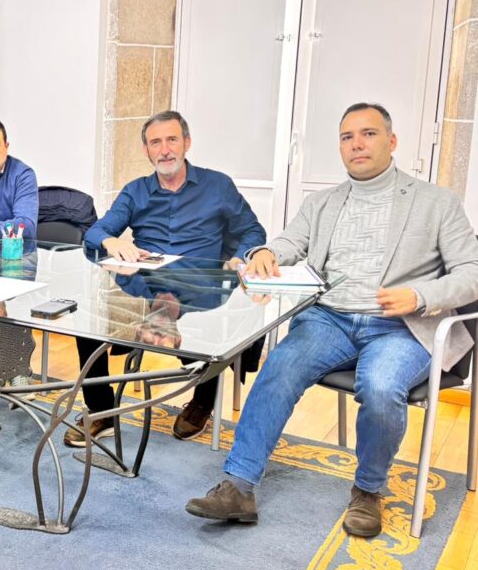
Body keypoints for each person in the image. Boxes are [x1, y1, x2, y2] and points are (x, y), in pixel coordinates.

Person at [187, 102, 478, 537]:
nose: (357, 144)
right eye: (347, 137)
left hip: (401, 326)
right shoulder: (321, 202)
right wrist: (264, 253)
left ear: (392, 141)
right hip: (330, 321)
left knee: (380, 386)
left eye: (368, 134)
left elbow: (472, 272)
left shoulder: (436, 203)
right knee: (279, 367)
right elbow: (290, 243)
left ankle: (368, 491)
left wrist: (421, 295)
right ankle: (238, 487)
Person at [67, 110, 266, 446]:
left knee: (211, 331)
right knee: (86, 323)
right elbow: (96, 232)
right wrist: (112, 241)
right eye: (155, 142)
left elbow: (252, 230)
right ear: (146, 150)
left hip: (200, 289)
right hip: (145, 289)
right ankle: (101, 410)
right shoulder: (136, 191)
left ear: (187, 142)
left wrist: (242, 255)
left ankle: (201, 404)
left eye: (172, 140)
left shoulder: (218, 186)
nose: (164, 150)